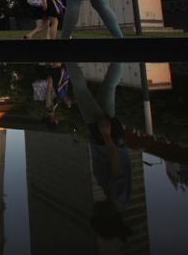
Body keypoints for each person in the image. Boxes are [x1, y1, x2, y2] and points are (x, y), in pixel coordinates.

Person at [66, 62, 132, 242]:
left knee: (109, 86)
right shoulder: (117, 198)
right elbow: (116, 163)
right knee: (81, 90)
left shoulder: (116, 200)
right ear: (107, 217)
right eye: (96, 215)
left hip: (108, 138)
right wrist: (106, 135)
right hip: (105, 137)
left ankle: (120, 51)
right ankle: (64, 52)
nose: (93, 210)